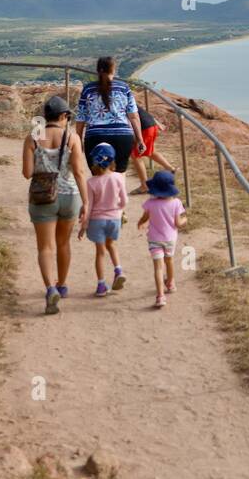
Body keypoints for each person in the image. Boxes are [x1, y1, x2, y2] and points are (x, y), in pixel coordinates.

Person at [23, 95, 89, 315]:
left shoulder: (33, 137)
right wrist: (86, 202)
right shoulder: (72, 137)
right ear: (63, 116)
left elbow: (27, 173)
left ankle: (50, 288)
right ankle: (62, 284)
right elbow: (79, 172)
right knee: (63, 244)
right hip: (69, 196)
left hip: (42, 197)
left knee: (45, 247)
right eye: (67, 117)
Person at [75, 55, 143, 168]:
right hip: (122, 136)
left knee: (98, 177)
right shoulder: (124, 88)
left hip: (95, 136)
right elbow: (134, 116)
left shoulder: (88, 89)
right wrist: (140, 139)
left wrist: (78, 140)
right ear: (113, 70)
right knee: (119, 177)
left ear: (98, 70)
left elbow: (81, 118)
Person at [79, 142, 127, 297]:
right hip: (114, 219)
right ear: (112, 160)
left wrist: (83, 225)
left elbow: (89, 205)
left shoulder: (91, 182)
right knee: (111, 245)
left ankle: (101, 285)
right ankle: (118, 270)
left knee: (100, 253)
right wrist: (118, 209)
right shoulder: (119, 177)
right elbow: (124, 200)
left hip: (97, 220)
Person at [136, 170, 186, 309]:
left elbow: (145, 216)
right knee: (169, 261)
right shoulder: (176, 203)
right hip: (170, 239)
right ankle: (170, 283)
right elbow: (178, 223)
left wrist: (141, 222)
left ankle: (160, 296)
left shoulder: (150, 203)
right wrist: (185, 219)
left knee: (158, 267)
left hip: (154, 239)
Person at [129, 104, 177, 193]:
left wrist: (136, 138)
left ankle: (144, 185)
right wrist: (157, 123)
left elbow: (131, 119)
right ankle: (170, 168)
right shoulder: (127, 98)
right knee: (150, 151)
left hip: (144, 129)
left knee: (135, 155)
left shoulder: (118, 102)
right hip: (152, 126)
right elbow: (143, 113)